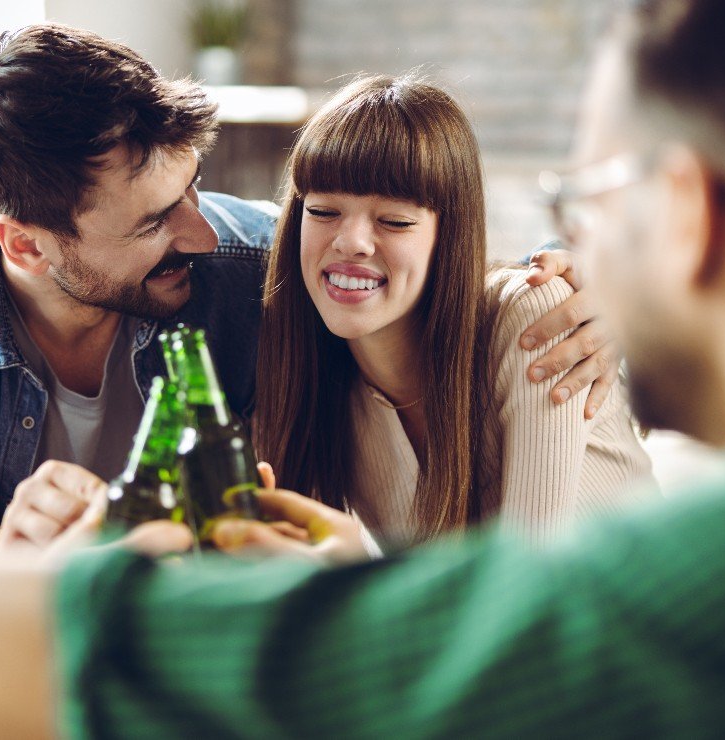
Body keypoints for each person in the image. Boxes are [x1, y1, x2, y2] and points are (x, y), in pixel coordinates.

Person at [0, 0, 725, 734]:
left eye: (585, 207)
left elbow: (499, 643)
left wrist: (532, 294)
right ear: (24, 243)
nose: (195, 231)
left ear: (687, 216)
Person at [0, 23, 613, 559]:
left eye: (192, 190)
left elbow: (401, 260)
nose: (202, 235)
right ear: (26, 245)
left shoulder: (249, 263)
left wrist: (568, 287)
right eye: (156, 221)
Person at [252, 74, 653, 553]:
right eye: (322, 212)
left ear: (450, 237)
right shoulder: (314, 386)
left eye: (394, 221)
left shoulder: (534, 318)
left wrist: (356, 575)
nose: (349, 241)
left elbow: (523, 592)